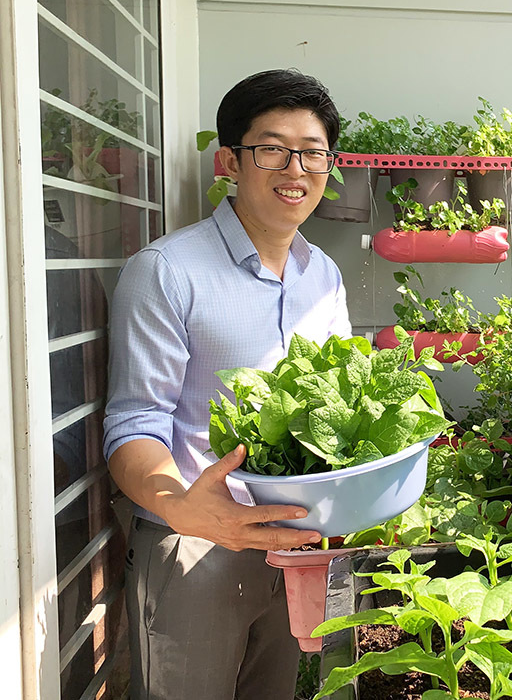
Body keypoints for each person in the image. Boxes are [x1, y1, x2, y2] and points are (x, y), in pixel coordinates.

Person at [103, 69, 352, 700]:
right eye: (271, 147)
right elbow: (135, 424)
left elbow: (343, 405)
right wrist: (183, 507)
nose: (295, 167)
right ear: (229, 161)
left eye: (313, 151)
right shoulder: (166, 272)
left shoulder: (322, 273)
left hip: (304, 542)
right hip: (195, 547)